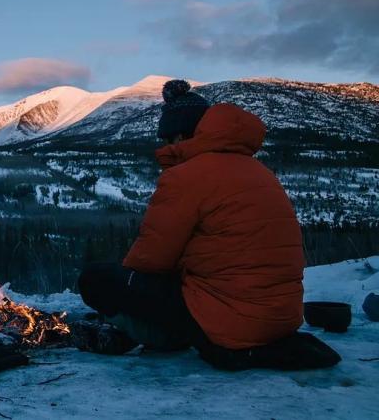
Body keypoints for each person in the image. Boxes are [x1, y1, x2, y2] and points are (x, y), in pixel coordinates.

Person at [73, 79, 340, 370]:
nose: (164, 146)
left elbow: (150, 260)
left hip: (231, 322)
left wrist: (125, 287)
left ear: (178, 136)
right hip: (280, 318)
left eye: (166, 139)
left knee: (96, 279)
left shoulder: (187, 176)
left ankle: (153, 335)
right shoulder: (259, 171)